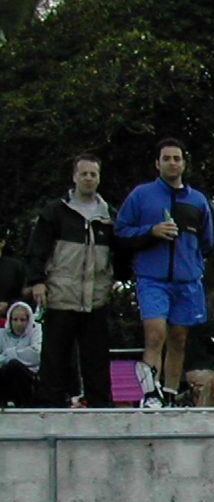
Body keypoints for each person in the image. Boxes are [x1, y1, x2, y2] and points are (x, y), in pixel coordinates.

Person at [115, 137, 214, 407]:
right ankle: (150, 393)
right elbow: (121, 231)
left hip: (187, 281)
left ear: (184, 164)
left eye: (177, 158)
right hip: (152, 279)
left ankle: (170, 393)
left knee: (179, 338)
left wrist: (193, 263)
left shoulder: (198, 200)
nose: (172, 163)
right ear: (157, 163)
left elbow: (207, 241)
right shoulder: (141, 195)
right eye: (167, 158)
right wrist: (151, 232)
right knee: (155, 334)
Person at [25, 153, 117, 408]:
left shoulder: (109, 215)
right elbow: (37, 249)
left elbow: (120, 253)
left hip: (96, 300)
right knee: (54, 358)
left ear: (99, 178)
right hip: (61, 296)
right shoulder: (55, 211)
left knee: (97, 359)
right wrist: (37, 281)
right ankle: (49, 408)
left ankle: (102, 410)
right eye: (84, 173)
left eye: (93, 174)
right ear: (74, 177)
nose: (88, 178)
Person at [0, 301, 42, 406]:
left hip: (28, 377)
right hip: (5, 376)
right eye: (15, 319)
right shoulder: (2, 334)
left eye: (22, 320)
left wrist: (7, 354)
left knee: (14, 365)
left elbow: (35, 355)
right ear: (10, 320)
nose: (19, 324)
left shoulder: (36, 331)